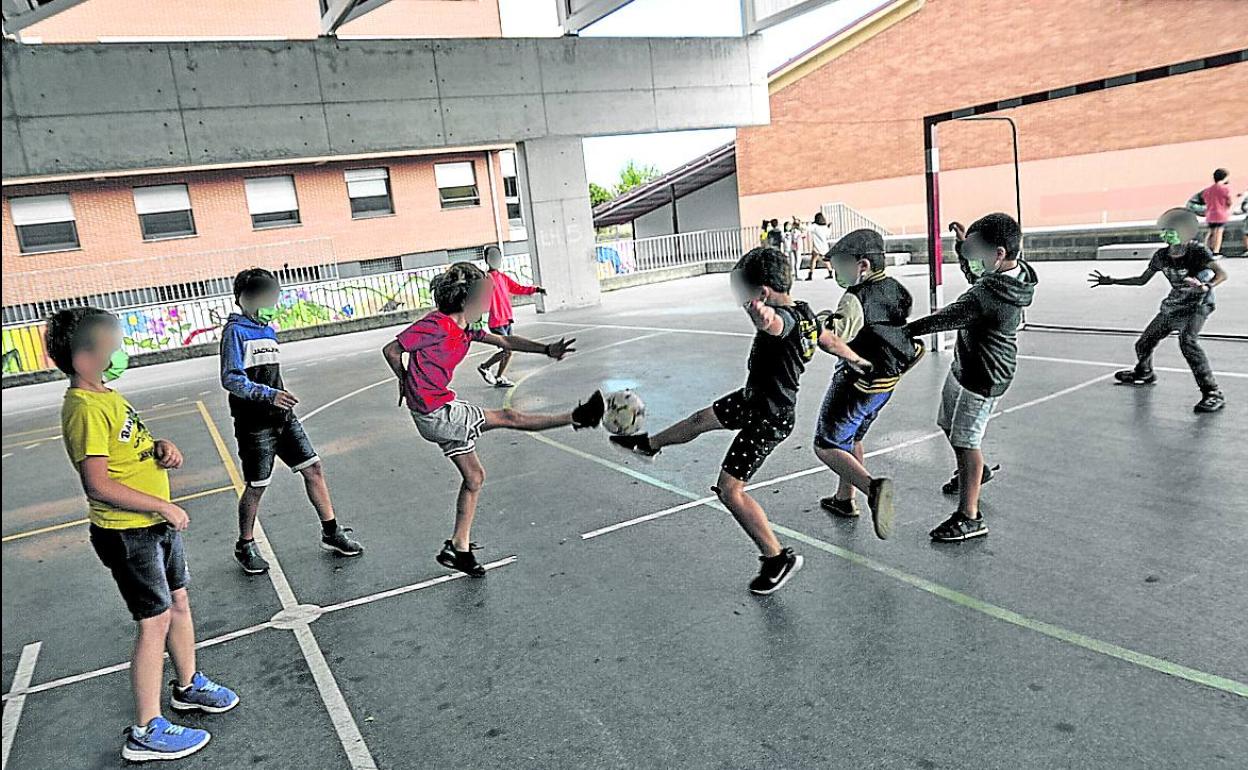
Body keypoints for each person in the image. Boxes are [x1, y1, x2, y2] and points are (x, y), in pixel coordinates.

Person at [50, 307, 239, 762]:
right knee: (153, 623)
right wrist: (161, 504)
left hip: (154, 527)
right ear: (84, 359)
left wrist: (160, 449)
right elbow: (98, 483)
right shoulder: (85, 409)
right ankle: (146, 728)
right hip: (129, 533)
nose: (121, 352)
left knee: (178, 603)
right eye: (113, 346)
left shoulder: (109, 398)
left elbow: (128, 451)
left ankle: (188, 684)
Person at [610, 247, 820, 594]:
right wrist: (855, 358)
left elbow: (775, 325)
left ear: (763, 292)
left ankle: (776, 557)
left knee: (729, 490)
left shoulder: (785, 318)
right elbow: (824, 337)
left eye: (744, 292)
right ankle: (649, 445)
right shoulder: (805, 312)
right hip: (753, 398)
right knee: (699, 419)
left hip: (769, 416)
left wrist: (762, 316)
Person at [382, 262, 604, 577]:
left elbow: (507, 342)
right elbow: (392, 349)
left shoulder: (467, 330)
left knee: (474, 477)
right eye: (484, 297)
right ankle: (577, 417)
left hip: (438, 409)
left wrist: (546, 350)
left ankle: (459, 548)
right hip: (435, 413)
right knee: (507, 416)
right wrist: (403, 380)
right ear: (465, 301)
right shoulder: (436, 325)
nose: (488, 302)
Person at [220, 268, 363, 575]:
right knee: (257, 484)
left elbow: (271, 372)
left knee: (312, 468)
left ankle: (331, 531)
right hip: (255, 423)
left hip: (283, 417)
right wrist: (266, 394)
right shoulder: (236, 332)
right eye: (268, 296)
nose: (273, 302)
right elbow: (231, 378)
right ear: (246, 299)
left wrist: (279, 397)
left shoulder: (267, 330)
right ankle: (245, 544)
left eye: (275, 295)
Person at [906, 213, 1037, 542]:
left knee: (966, 442)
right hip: (965, 366)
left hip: (985, 376)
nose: (971, 256)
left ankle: (970, 517)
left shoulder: (992, 294)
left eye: (977, 250)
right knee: (949, 425)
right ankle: (977, 473)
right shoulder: (1013, 275)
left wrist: (904, 332)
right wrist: (965, 249)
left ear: (1000, 253)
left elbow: (949, 316)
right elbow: (978, 277)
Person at [811, 230, 924, 539]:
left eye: (841, 265)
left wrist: (817, 321)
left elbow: (835, 338)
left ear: (862, 265)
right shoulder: (895, 289)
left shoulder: (855, 298)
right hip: (885, 384)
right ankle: (844, 499)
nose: (836, 272)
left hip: (856, 382)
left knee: (826, 444)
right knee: (854, 435)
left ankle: (872, 489)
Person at [1088, 208, 1227, 413]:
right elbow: (1142, 280)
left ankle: (1212, 392)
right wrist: (1112, 281)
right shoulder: (1161, 256)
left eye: (1172, 230)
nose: (1167, 234)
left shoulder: (1196, 251)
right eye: (1165, 230)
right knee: (1144, 343)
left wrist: (1205, 286)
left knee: (1188, 341)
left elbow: (1221, 274)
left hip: (1198, 304)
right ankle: (1144, 373)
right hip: (1174, 305)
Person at [476, 245, 546, 388]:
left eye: (497, 256)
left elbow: (518, 288)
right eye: (492, 256)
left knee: (509, 351)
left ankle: (499, 377)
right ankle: (485, 367)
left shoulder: (503, 277)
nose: (495, 259)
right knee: (508, 349)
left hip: (507, 320)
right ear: (487, 259)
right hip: (496, 322)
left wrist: (536, 289)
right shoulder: (486, 279)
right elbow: (480, 297)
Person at [1201, 168, 1233, 254]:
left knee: (1211, 232)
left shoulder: (1208, 190)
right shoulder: (1225, 189)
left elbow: (1205, 199)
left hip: (1210, 214)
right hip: (1220, 214)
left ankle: (1205, 249)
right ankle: (1216, 251)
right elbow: (1229, 201)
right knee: (1219, 232)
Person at [805, 212, 834, 281]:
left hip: (817, 246)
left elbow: (807, 228)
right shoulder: (825, 227)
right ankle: (830, 273)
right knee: (825, 260)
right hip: (824, 246)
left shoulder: (815, 226)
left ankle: (810, 274)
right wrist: (829, 227)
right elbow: (828, 235)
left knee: (813, 260)